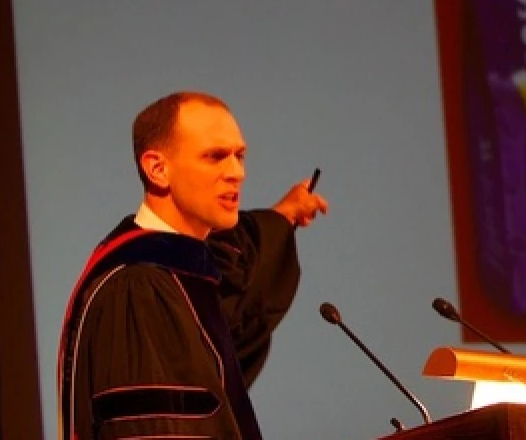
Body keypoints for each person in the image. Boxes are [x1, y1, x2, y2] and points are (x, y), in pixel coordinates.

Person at [57, 91, 328, 440]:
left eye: (239, 156)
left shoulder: (181, 269)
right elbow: (160, 429)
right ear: (158, 169)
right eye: (215, 156)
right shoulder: (139, 288)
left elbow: (241, 266)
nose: (237, 172)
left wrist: (284, 215)